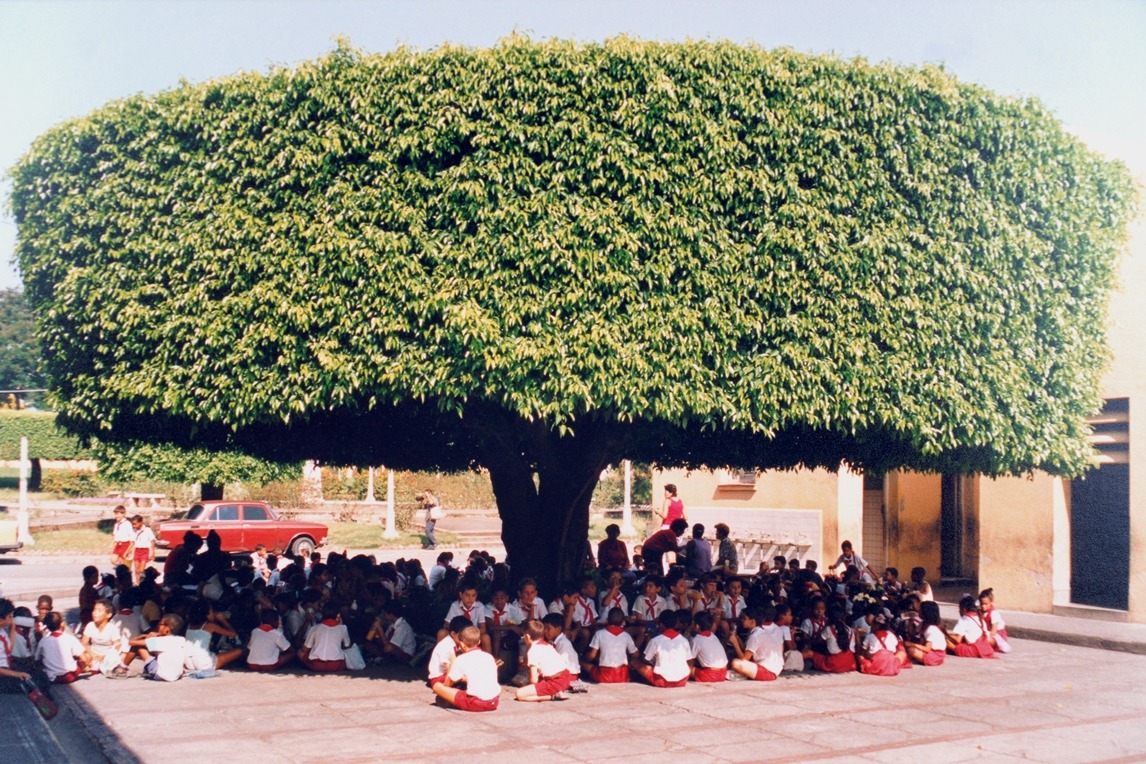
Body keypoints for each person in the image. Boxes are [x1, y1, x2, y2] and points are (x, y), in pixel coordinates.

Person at [433, 625, 501, 712]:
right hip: (494, 702)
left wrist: (452, 661)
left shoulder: (461, 659)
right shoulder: (489, 657)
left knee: (437, 687)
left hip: (475, 702)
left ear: (461, 644)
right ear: (479, 641)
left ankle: (454, 702)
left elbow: (447, 684)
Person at [515, 619, 572, 702]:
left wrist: (531, 688)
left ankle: (552, 696)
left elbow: (534, 680)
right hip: (566, 678)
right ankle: (555, 692)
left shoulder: (533, 650)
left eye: (523, 636)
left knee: (520, 694)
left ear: (527, 637)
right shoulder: (546, 644)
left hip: (555, 683)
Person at [634, 610, 691, 688]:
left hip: (663, 681)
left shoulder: (656, 640)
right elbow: (689, 660)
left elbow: (645, 660)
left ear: (661, 625)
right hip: (682, 680)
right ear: (676, 624)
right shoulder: (684, 640)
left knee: (635, 662)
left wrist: (648, 640)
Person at [582, 607, 636, 683]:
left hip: (604, 675)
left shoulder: (599, 633)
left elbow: (592, 656)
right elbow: (636, 654)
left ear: (607, 620)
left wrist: (583, 659)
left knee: (582, 663)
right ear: (622, 622)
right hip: (623, 676)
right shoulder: (626, 635)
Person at [130, 614, 189, 682]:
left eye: (161, 624)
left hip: (161, 675)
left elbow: (132, 642)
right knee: (152, 650)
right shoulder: (181, 639)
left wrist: (143, 635)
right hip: (176, 675)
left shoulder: (159, 641)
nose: (158, 626)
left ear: (168, 628)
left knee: (139, 647)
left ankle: (122, 668)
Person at [35, 611, 87, 684]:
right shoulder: (70, 638)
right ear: (62, 624)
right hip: (69, 676)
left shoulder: (43, 641)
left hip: (52, 678)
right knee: (86, 656)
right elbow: (84, 659)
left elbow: (36, 659)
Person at [298, 603, 351, 671]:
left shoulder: (315, 628)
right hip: (336, 665)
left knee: (299, 652)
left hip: (317, 665)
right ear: (338, 615)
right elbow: (348, 646)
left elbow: (305, 649)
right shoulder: (343, 628)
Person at [0, 598, 33, 691]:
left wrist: (13, 627)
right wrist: (16, 674)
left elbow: (9, 647)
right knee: (29, 684)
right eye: (9, 616)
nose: (12, 618)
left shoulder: (2, 631)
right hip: (2, 675)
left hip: (7, 667)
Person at [689, 611, 728, 682]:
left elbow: (690, 660)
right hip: (724, 673)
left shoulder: (696, 640)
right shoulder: (713, 636)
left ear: (697, 626)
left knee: (686, 669)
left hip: (710, 675)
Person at [905, 601, 946, 666]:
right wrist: (911, 620)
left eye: (920, 610)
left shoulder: (931, 629)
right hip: (929, 651)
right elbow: (912, 633)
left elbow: (927, 649)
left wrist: (912, 644)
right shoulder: (923, 624)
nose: (918, 612)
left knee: (911, 650)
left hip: (935, 655)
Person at [126, 514, 156, 586]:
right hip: (137, 551)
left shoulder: (147, 530)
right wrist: (127, 551)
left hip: (145, 551)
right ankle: (137, 584)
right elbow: (132, 542)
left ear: (141, 522)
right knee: (136, 570)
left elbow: (152, 541)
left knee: (141, 570)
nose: (134, 526)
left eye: (135, 524)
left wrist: (152, 552)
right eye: (133, 524)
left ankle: (142, 584)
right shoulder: (134, 531)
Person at [979, 588, 1011, 653]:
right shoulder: (982, 612)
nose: (983, 606)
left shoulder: (994, 614)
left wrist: (985, 633)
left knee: (984, 640)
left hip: (997, 635)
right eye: (981, 604)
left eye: (985, 604)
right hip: (989, 633)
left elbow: (993, 632)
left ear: (991, 603)